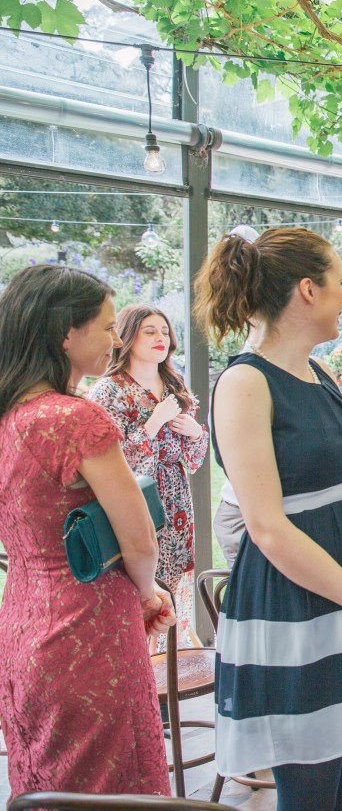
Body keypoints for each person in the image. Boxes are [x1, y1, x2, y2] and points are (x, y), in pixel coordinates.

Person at [197, 226, 342, 811]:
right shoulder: (245, 383)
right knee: (311, 785)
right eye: (340, 282)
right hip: (300, 607)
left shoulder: (319, 373)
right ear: (308, 290)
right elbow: (266, 526)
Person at [0, 265, 175, 797]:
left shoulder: (9, 416)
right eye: (106, 326)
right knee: (112, 788)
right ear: (65, 334)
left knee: (49, 784)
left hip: (22, 625)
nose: (116, 340)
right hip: (89, 628)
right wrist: (148, 593)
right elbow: (139, 538)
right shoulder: (74, 419)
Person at [89, 304, 208, 650]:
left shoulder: (175, 384)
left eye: (165, 331)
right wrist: (153, 423)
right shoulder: (109, 391)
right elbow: (115, 462)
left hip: (177, 499)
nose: (161, 338)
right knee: (142, 583)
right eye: (150, 331)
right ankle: (142, 659)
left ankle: (175, 654)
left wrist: (196, 434)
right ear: (128, 336)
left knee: (176, 577)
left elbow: (194, 461)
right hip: (134, 500)